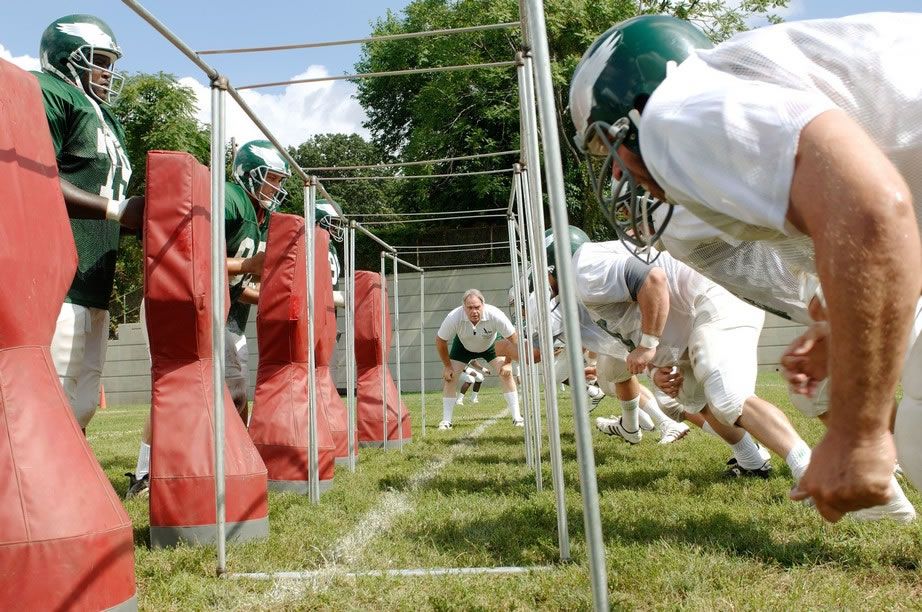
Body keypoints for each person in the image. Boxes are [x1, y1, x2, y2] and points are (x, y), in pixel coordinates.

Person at [569, 13, 922, 521]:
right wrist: (831, 324)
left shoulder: (676, 112)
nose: (618, 170)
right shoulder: (725, 100)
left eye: (609, 147)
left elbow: (871, 212)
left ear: (633, 115)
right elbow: (843, 227)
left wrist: (857, 433)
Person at [547, 228, 814, 485]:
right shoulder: (583, 281)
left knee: (728, 396)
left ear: (552, 268)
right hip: (690, 324)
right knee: (688, 398)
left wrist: (649, 344)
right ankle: (752, 461)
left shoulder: (582, 269)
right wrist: (654, 369)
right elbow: (628, 331)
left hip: (712, 303)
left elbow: (652, 280)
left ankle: (808, 466)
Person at [125, 139, 288, 498]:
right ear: (248, 174)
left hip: (216, 312)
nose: (276, 188)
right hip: (178, 306)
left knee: (236, 393)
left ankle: (232, 459)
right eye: (271, 179)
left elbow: (234, 282)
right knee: (171, 388)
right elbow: (192, 255)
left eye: (279, 180)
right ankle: (145, 472)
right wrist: (248, 265)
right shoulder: (229, 198)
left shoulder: (261, 217)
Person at [34, 14, 144, 433]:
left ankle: (64, 491)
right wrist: (118, 210)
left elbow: (105, 193)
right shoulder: (49, 92)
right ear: (65, 59)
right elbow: (35, 178)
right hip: (57, 276)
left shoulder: (107, 118)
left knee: (82, 401)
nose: (106, 72)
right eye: (98, 60)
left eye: (109, 63)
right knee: (52, 397)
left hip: (96, 278)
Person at [435, 289, 520, 429]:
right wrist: (447, 366)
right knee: (450, 377)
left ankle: (517, 418)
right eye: (469, 308)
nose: (474, 311)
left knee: (506, 373)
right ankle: (446, 421)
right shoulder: (454, 317)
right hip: (462, 346)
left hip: (491, 344)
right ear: (463, 308)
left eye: (477, 307)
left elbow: (513, 338)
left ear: (483, 305)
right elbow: (440, 341)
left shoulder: (495, 314)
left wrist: (508, 363)